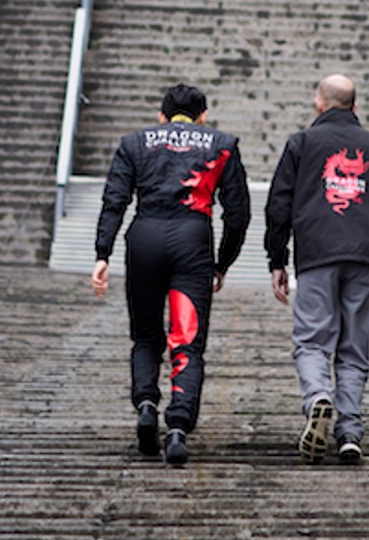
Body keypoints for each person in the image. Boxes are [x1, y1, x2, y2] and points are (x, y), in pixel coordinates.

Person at [92, 82, 250, 467]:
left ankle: (146, 403)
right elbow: (238, 213)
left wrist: (102, 253)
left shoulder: (135, 142)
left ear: (161, 117)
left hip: (144, 237)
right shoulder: (222, 143)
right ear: (203, 116)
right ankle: (177, 427)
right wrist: (222, 261)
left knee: (146, 336)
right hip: (192, 240)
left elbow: (115, 200)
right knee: (187, 340)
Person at [264, 73, 369, 465]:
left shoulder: (301, 144)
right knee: (353, 348)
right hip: (367, 257)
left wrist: (277, 259)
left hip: (316, 254)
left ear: (319, 104)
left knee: (313, 339)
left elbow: (278, 204)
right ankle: (349, 430)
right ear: (355, 105)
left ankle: (318, 397)